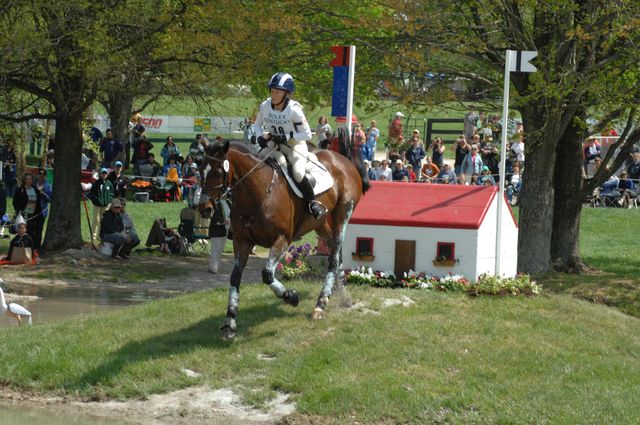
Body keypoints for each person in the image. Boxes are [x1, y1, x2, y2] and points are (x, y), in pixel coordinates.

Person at [254, 72, 326, 219]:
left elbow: (307, 134)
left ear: (286, 94)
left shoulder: (294, 110)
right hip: (273, 143)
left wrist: (287, 136)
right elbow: (257, 124)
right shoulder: (265, 106)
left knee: (298, 173)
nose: (273, 95)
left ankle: (312, 203)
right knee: (255, 164)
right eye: (272, 91)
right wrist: (259, 136)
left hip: (294, 145)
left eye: (277, 92)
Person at [12, 173, 44, 250]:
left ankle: (35, 248)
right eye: (27, 179)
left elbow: (38, 201)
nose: (29, 180)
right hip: (25, 214)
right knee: (27, 231)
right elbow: (15, 202)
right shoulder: (21, 189)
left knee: (36, 231)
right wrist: (19, 210)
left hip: (34, 214)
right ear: (24, 180)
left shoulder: (35, 189)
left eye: (30, 179)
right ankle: (26, 248)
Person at [89, 168, 115, 241]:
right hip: (97, 205)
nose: (104, 174)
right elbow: (92, 193)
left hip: (106, 205)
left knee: (102, 221)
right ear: (100, 174)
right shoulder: (96, 183)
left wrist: (108, 201)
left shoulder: (109, 184)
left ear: (107, 174)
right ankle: (93, 236)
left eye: (105, 173)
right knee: (96, 220)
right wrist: (96, 200)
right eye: (103, 173)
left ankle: (100, 236)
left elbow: (112, 194)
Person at [208, 199, 230, 274]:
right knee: (215, 249)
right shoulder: (215, 204)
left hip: (225, 229)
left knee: (220, 249)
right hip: (216, 230)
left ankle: (215, 266)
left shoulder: (227, 203)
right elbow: (213, 217)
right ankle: (213, 267)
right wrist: (223, 220)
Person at [35, 168, 52, 247]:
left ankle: (37, 246)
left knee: (39, 229)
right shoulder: (34, 185)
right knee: (31, 228)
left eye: (43, 174)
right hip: (32, 210)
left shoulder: (48, 186)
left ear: (45, 176)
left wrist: (43, 194)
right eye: (40, 174)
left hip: (42, 211)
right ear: (37, 175)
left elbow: (50, 199)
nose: (41, 176)